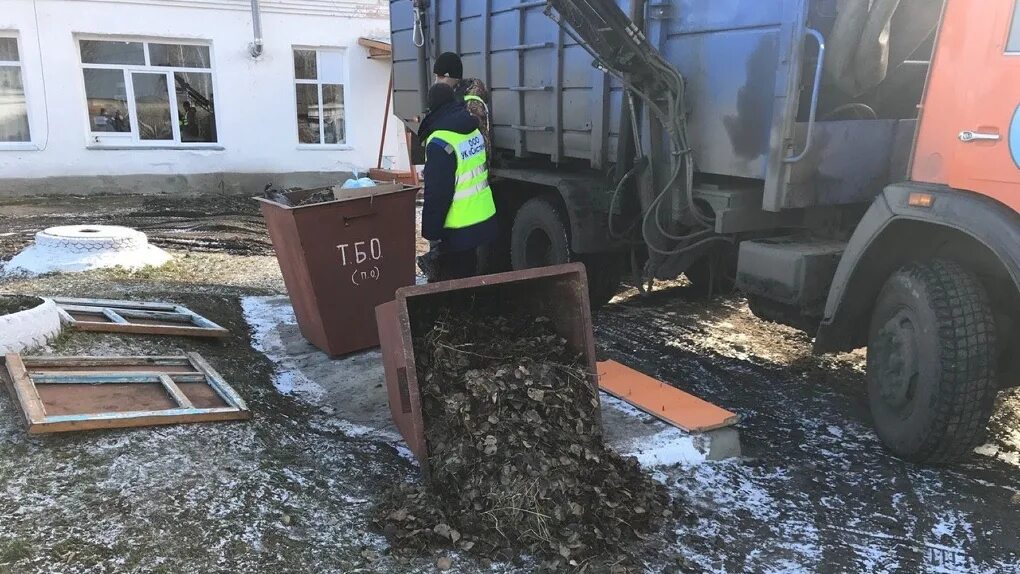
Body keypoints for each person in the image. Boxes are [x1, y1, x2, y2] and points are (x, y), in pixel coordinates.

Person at [417, 83, 497, 281]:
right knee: (470, 272)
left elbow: (438, 192)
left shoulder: (439, 142)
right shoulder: (472, 129)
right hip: (482, 217)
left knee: (453, 282)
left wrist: (431, 230)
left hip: (457, 227)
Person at [432, 52, 492, 160]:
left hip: (464, 172)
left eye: (441, 77)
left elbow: (478, 147)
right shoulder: (452, 98)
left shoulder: (471, 104)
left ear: (454, 77)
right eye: (436, 76)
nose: (436, 82)